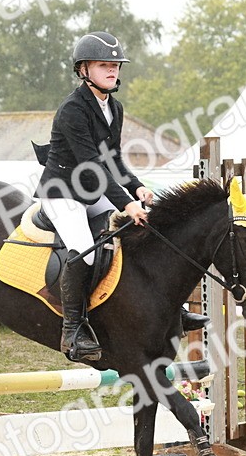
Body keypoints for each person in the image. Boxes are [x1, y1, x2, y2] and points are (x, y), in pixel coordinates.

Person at [36, 31, 208, 362]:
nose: (113, 71)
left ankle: (172, 311)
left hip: (90, 188)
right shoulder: (72, 110)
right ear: (83, 69)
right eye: (104, 65)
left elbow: (112, 160)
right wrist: (126, 203)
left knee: (139, 232)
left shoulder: (114, 107)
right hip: (62, 192)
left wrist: (137, 187)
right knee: (84, 253)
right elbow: (90, 165)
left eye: (115, 65)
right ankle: (73, 329)